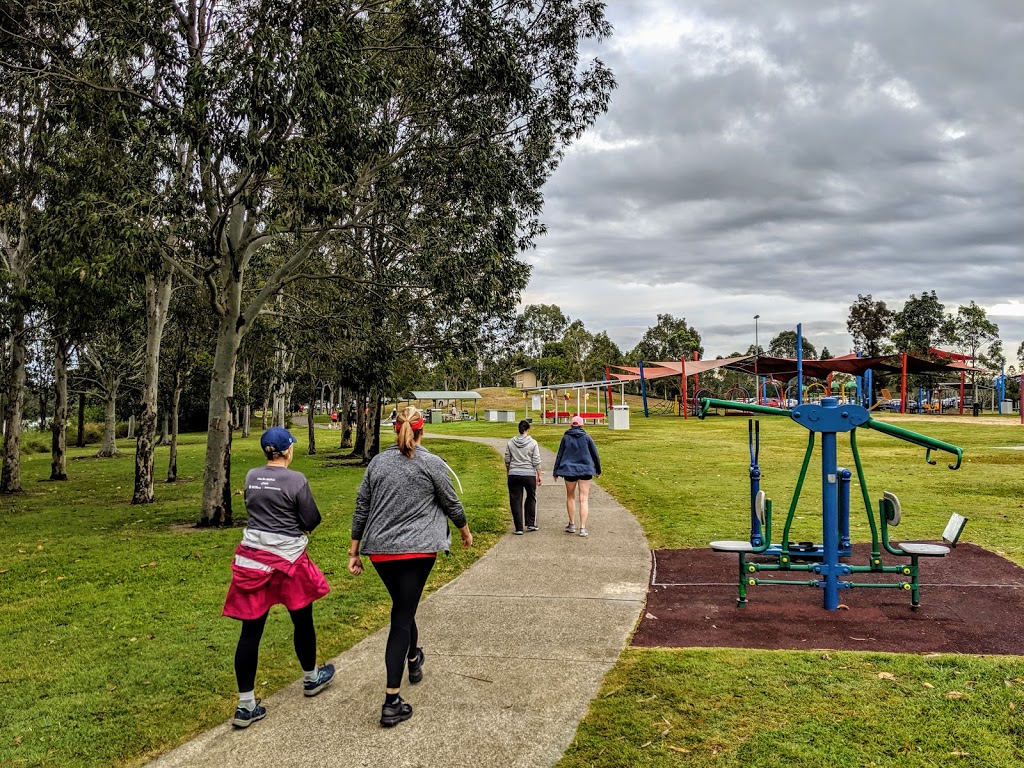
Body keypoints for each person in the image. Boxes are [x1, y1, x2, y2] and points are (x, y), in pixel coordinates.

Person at [348, 405, 472, 728]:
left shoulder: (377, 463)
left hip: (382, 554)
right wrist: (465, 532)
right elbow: (451, 502)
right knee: (402, 615)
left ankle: (414, 658)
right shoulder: (431, 463)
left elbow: (362, 506)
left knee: (405, 607)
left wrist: (354, 549)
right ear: (422, 430)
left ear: (395, 430)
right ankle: (391, 701)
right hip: (419, 551)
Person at [222, 427, 335, 729]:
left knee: (250, 632)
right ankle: (311, 678)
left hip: (253, 561)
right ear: (287, 451)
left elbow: (253, 507)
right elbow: (311, 519)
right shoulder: (296, 480)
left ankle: (246, 705)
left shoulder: (250, 477)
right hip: (289, 561)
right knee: (302, 620)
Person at [552, 415, 602, 538]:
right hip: (585, 470)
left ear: (571, 425)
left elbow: (560, 454)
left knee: (570, 496)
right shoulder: (587, 437)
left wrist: (556, 471)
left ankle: (572, 524)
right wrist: (598, 470)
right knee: (583, 498)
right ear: (582, 425)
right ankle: (583, 527)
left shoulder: (565, 438)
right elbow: (595, 454)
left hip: (569, 470)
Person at [504, 420, 542, 534]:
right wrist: (539, 474)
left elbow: (507, 459)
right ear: (528, 429)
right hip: (529, 474)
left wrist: (508, 471)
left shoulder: (511, 442)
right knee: (531, 497)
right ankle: (530, 523)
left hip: (514, 473)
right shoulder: (533, 443)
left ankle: (519, 528)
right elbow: (536, 459)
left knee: (515, 500)